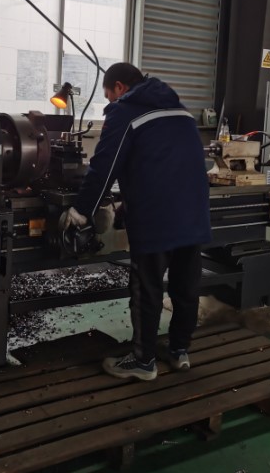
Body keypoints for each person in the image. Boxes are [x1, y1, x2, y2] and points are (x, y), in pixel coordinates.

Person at [64, 62, 211, 381]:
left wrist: (81, 210)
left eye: (108, 95)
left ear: (119, 88)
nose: (110, 101)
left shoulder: (125, 111)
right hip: (194, 213)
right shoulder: (180, 110)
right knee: (186, 287)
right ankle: (179, 350)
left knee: (147, 289)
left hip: (157, 216)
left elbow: (105, 166)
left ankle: (144, 361)